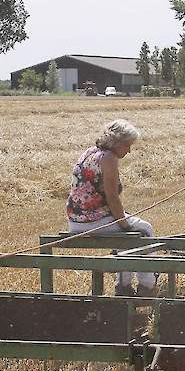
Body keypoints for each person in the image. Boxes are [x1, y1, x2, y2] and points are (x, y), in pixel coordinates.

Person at [66, 119, 157, 297]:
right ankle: (147, 286)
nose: (129, 150)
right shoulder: (109, 159)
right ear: (117, 142)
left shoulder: (91, 152)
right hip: (92, 221)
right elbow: (112, 197)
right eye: (127, 145)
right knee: (145, 229)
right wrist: (125, 225)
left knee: (127, 231)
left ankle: (123, 286)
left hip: (75, 220)